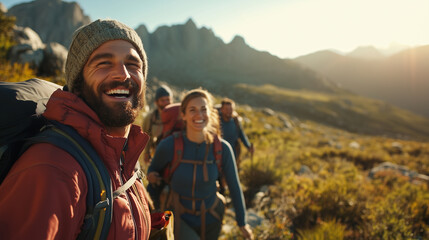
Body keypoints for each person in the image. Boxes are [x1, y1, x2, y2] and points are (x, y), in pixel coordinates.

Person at [0, 19, 152, 239]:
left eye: (133, 64)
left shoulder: (124, 155)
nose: (123, 74)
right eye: (104, 63)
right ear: (77, 82)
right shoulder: (52, 170)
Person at [147, 89, 254, 240]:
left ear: (210, 113)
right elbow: (152, 175)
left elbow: (235, 187)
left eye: (204, 109)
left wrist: (243, 224)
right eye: (192, 110)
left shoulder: (222, 148)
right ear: (183, 115)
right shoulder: (169, 145)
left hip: (212, 216)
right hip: (178, 216)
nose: (199, 115)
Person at [142, 85, 173, 164]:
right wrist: (147, 153)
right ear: (156, 102)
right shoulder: (150, 118)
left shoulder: (178, 116)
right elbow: (146, 136)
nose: (166, 103)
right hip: (158, 155)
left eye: (168, 100)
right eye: (163, 100)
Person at [219, 98, 254, 168]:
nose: (229, 112)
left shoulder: (235, 121)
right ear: (221, 109)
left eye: (231, 109)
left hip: (233, 153)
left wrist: (248, 146)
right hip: (219, 154)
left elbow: (241, 134)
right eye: (226, 109)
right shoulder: (217, 122)